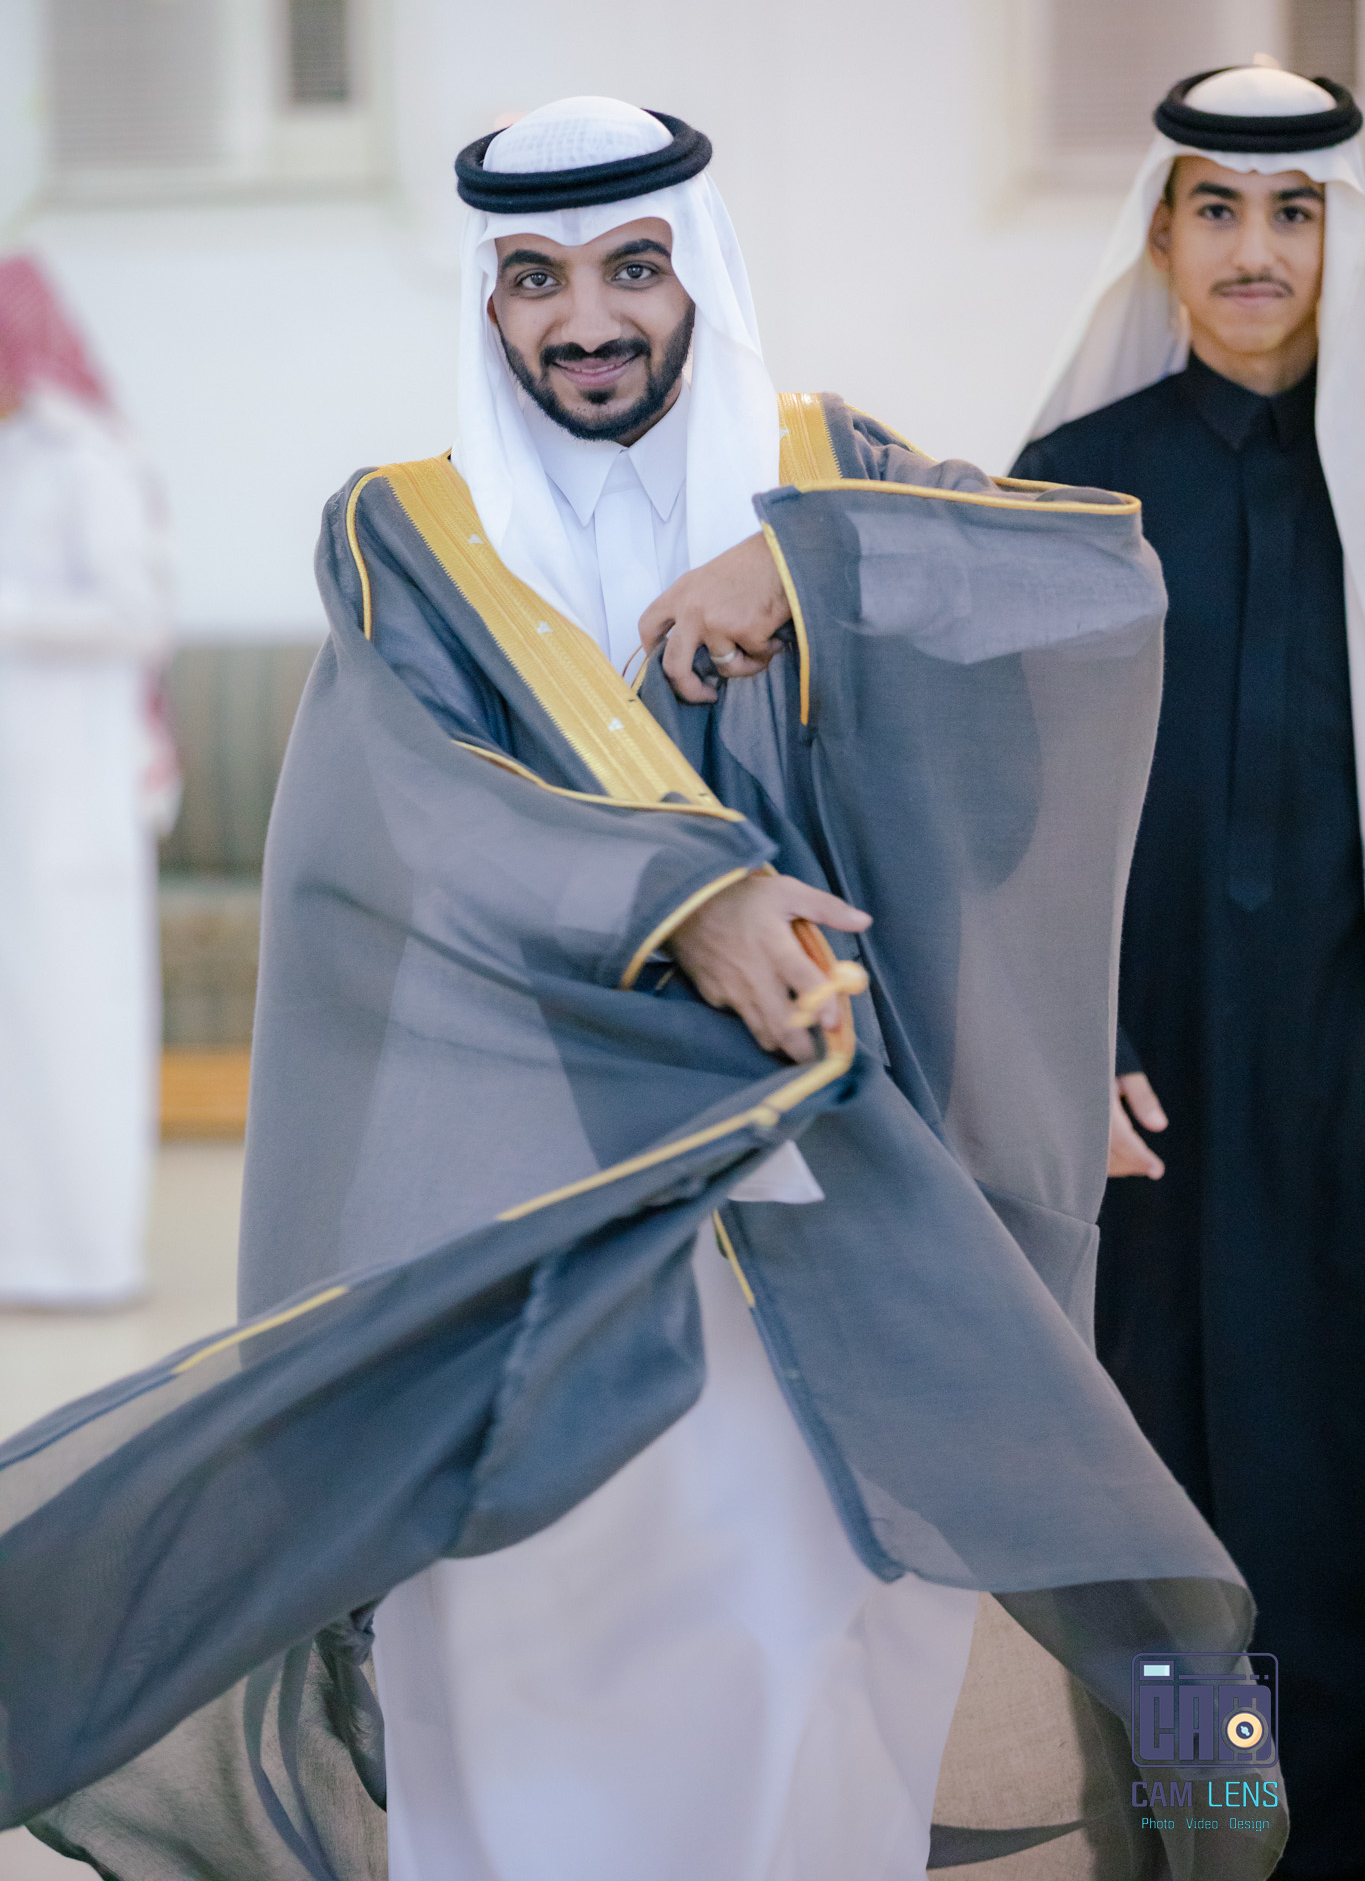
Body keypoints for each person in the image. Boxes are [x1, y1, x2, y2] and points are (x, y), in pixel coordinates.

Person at [2, 101, 1281, 1881]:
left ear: (701, 277)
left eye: (631, 268)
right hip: (532, 1208)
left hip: (838, 1195)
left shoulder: (831, 468)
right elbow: (413, 815)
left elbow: (1082, 588)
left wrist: (809, 565)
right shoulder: (409, 535)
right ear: (488, 299)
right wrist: (688, 899)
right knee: (522, 1646)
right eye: (534, 278)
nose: (584, 319)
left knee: (827, 1627)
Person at [1015, 60, 1365, 1881]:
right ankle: (1210, 1846)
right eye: (1215, 208)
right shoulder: (1076, 490)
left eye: (1294, 211)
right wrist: (1069, 1039)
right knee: (1177, 1514)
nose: (1255, 251)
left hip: (1344, 1086)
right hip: (1148, 1105)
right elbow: (995, 817)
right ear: (1158, 237)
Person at [0, 255, 174, 1308]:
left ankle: (88, 1258)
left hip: (74, 802)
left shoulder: (85, 457)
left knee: (75, 1017)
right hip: (18, 796)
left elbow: (138, 618)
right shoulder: (16, 453)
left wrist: (8, 613)